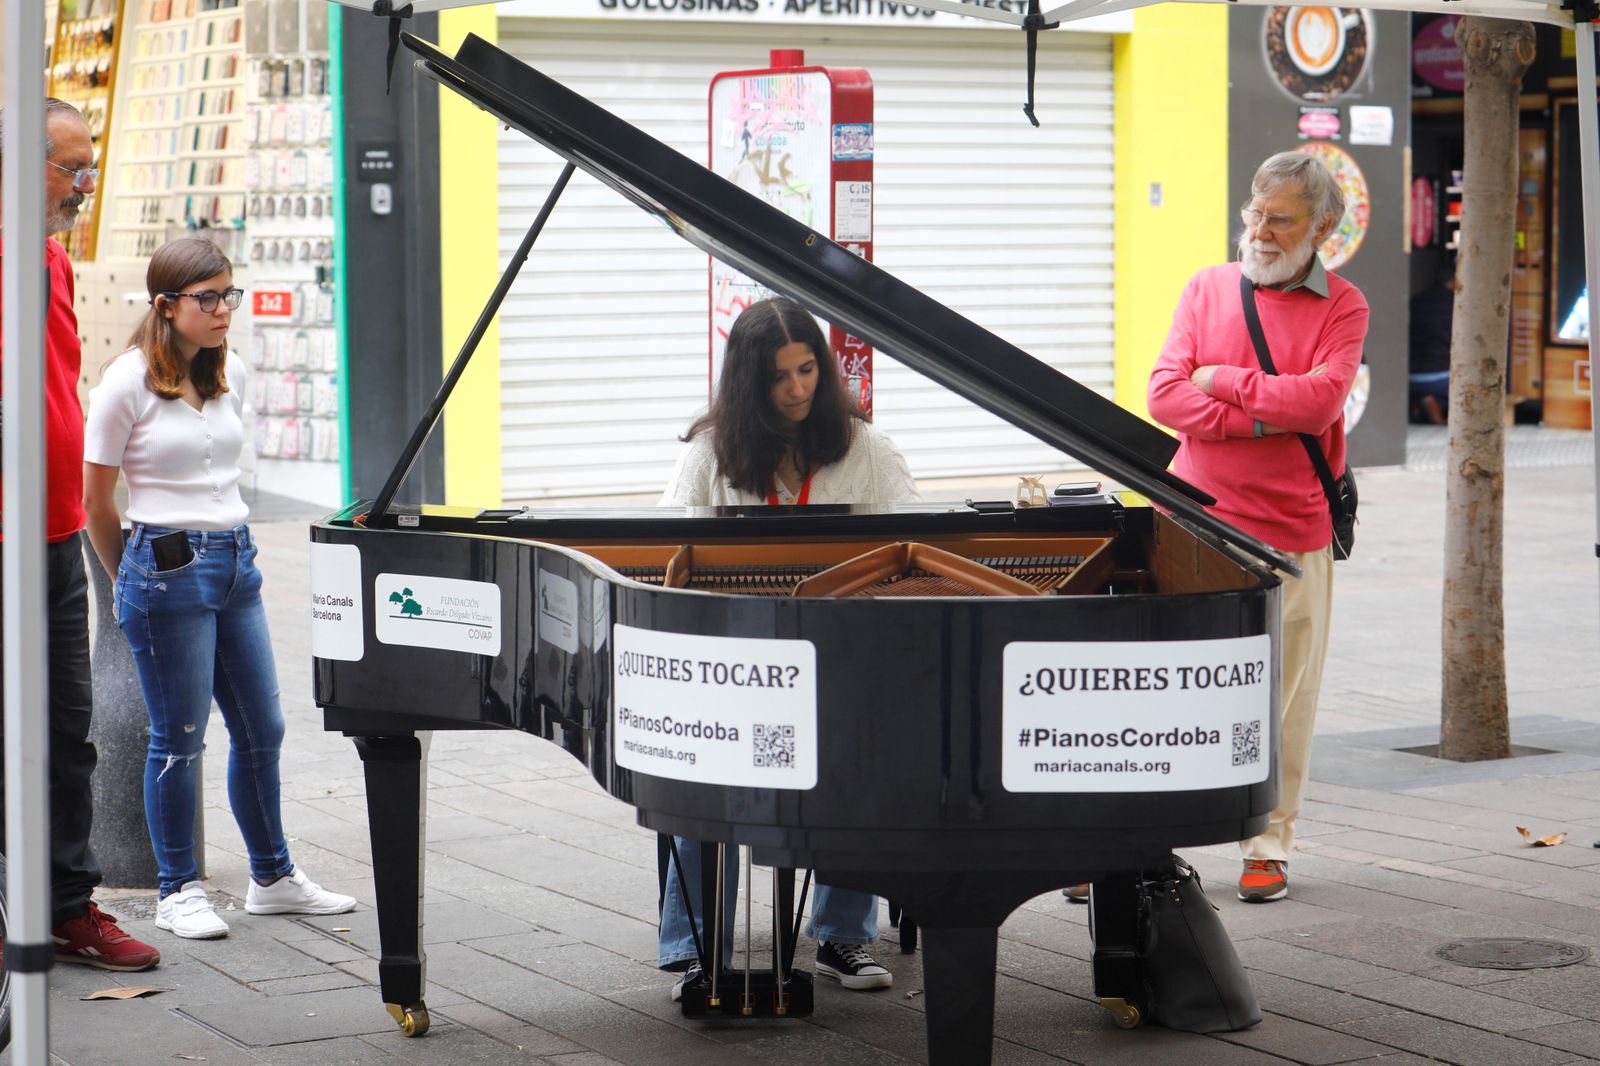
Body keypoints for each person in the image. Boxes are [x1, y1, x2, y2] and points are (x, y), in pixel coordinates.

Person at [82, 238, 355, 940]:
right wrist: (127, 583)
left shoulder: (224, 371)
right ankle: (178, 891)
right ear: (167, 306)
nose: (224, 309)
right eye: (208, 298)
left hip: (238, 562)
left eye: (228, 294)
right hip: (165, 569)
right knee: (178, 739)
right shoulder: (125, 381)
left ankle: (272, 876)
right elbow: (96, 502)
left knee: (262, 728)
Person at [657, 296, 918, 994]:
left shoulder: (870, 449)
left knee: (861, 758)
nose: (799, 388)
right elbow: (667, 565)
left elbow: (912, 560)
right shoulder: (710, 455)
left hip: (846, 661)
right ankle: (692, 949)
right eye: (780, 377)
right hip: (729, 668)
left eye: (808, 370)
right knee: (696, 775)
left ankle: (840, 937)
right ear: (750, 384)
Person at [1147, 152, 1368, 904]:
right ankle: (1138, 835)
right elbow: (1164, 395)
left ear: (1324, 227)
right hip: (1194, 521)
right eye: (1255, 213)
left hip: (1295, 527)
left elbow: (1320, 403)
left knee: (1286, 692)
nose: (1261, 230)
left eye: (1281, 218)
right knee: (1172, 684)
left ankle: (1268, 841)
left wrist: (1225, 383)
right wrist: (1254, 416)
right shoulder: (1206, 288)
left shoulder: (1345, 307)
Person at [0, 98, 161, 972]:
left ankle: (66, 905)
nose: (85, 184)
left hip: (57, 536)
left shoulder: (53, 261)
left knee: (69, 730)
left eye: (91, 166)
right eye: (72, 167)